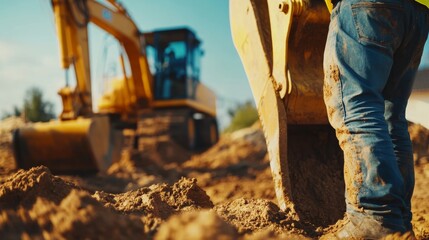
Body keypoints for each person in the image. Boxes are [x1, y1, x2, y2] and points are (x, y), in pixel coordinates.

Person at [322, 0, 429, 238]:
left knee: (356, 107)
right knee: (392, 118)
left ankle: (374, 216)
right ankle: (396, 221)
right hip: (417, 13)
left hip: (366, 8)